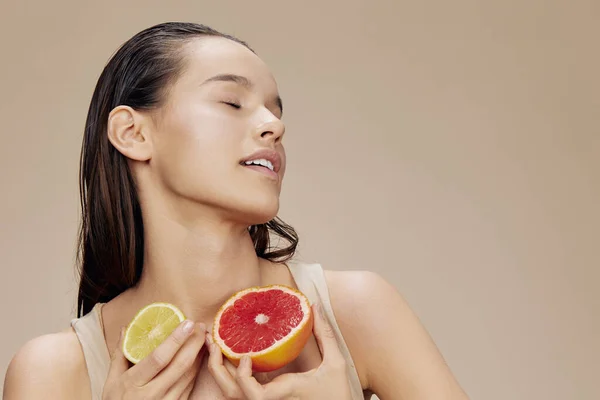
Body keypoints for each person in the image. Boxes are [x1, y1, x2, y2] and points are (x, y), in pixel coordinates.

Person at [3, 22, 469, 399]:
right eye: (232, 102)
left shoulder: (358, 312)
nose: (274, 125)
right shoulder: (53, 374)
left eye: (274, 109)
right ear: (134, 134)